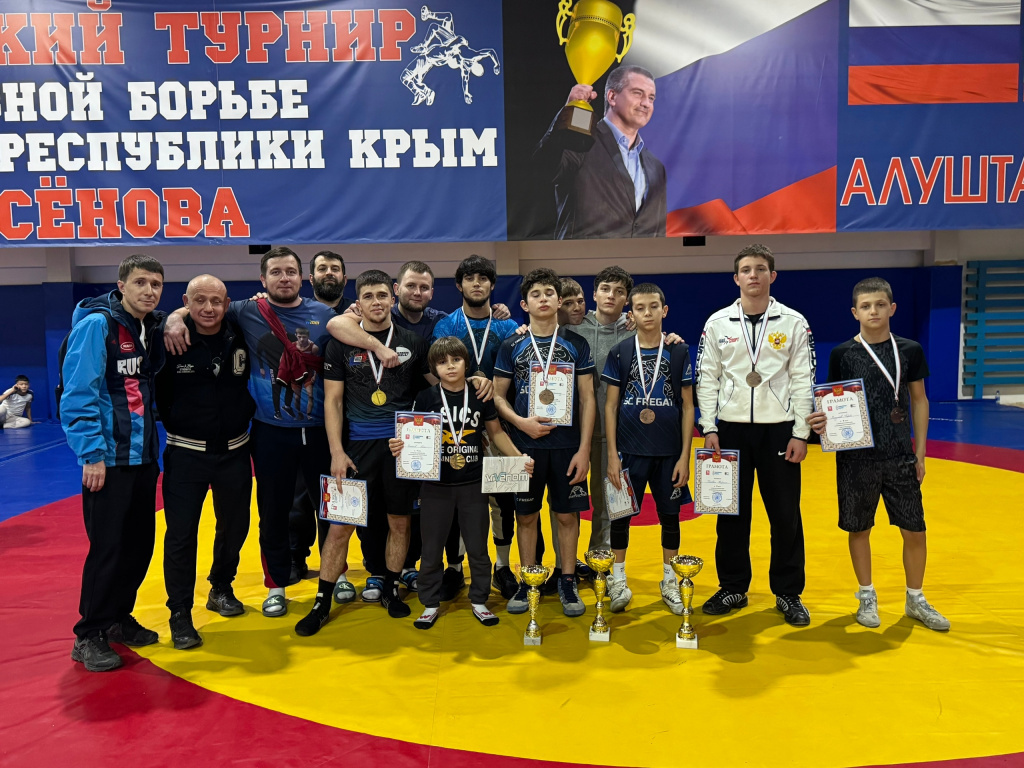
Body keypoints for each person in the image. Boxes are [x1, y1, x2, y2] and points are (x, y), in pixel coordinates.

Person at [164, 247, 336, 619]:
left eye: (290, 271)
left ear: (302, 277)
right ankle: (276, 586)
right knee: (272, 512)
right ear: (263, 279)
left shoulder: (325, 314)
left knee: (332, 509)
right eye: (276, 272)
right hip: (270, 432)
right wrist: (174, 319)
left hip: (321, 431)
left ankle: (333, 577)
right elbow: (201, 305)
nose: (284, 278)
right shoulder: (246, 310)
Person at [806, 278, 949, 631]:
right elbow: (832, 400)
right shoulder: (843, 354)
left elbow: (919, 400)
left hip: (900, 455)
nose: (874, 311)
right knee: (859, 528)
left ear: (892, 308)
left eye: (880, 305)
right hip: (855, 458)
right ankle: (866, 595)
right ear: (855, 312)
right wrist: (821, 421)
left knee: (915, 529)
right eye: (866, 306)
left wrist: (920, 453)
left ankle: (915, 598)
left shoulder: (910, 350)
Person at [296, 270, 434, 633]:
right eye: (368, 296)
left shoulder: (413, 342)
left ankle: (390, 588)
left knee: (399, 522)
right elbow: (333, 401)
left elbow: (438, 386)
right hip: (356, 448)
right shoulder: (341, 344)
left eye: (382, 295)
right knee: (339, 526)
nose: (376, 302)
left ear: (392, 298)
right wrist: (336, 452)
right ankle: (322, 601)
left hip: (401, 449)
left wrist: (474, 380)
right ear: (358, 302)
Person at [695, 243, 816, 627]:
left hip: (779, 430)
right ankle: (732, 586)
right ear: (736, 278)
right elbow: (707, 379)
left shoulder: (793, 322)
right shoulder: (717, 323)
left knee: (785, 514)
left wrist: (800, 433)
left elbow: (802, 379)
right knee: (730, 513)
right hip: (730, 430)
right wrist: (709, 426)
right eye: (746, 269)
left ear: (772, 276)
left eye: (760, 269)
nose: (753, 275)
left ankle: (788, 592)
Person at [61, 254, 166, 672]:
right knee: (108, 547)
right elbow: (78, 392)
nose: (149, 291)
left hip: (143, 457)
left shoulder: (150, 327)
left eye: (156, 284)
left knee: (139, 545)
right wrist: (91, 454)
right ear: (121, 286)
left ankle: (119, 617)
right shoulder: (97, 325)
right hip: (108, 459)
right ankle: (89, 634)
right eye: (140, 282)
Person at [390, 336, 533, 629]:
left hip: (472, 484)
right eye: (442, 362)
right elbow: (413, 437)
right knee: (432, 548)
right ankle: (430, 603)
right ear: (434, 368)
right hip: (436, 486)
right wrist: (399, 445)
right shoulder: (426, 397)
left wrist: (519, 458)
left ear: (466, 362)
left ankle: (479, 600)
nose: (450, 366)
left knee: (478, 546)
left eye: (456, 360)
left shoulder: (479, 395)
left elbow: (496, 433)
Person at [156, 275, 256, 650]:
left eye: (216, 301)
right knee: (181, 535)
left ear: (227, 304)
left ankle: (221, 587)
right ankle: (180, 612)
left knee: (236, 526)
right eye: (199, 300)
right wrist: (172, 318)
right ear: (186, 301)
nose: (208, 308)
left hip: (235, 451)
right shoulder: (170, 337)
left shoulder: (239, 331)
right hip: (186, 453)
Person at [493, 268, 596, 617]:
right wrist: (521, 422)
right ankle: (529, 580)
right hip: (525, 447)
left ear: (559, 300)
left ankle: (567, 580)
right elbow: (497, 397)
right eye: (535, 294)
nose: (543, 299)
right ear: (524, 304)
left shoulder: (576, 344)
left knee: (566, 516)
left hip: (567, 447)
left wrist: (584, 450)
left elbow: (588, 399)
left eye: (549, 293)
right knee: (526, 516)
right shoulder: (512, 345)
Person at [432, 255, 527, 599]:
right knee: (458, 499)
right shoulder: (446, 326)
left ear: (492, 284)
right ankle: (455, 568)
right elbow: (436, 373)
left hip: (499, 425)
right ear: (459, 285)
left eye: (483, 278)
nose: (476, 283)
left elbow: (520, 374)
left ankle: (502, 567)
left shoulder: (507, 327)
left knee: (502, 500)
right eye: (470, 278)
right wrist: (467, 382)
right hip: (458, 428)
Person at [603, 283, 694, 614]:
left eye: (654, 306)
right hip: (628, 451)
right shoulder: (620, 352)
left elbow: (688, 407)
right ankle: (617, 579)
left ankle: (670, 581)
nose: (647, 313)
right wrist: (612, 456)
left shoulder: (678, 352)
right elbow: (611, 406)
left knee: (670, 517)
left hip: (669, 453)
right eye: (640, 308)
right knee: (620, 517)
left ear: (664, 310)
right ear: (632, 313)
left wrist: (684, 457)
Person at [536, 65, 666, 239]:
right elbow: (542, 170)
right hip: (583, 257)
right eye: (638, 93)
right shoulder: (581, 141)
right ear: (612, 97)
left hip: (640, 258)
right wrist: (569, 112)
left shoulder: (656, 167)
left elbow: (657, 233)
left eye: (651, 98)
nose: (646, 103)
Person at [289, 249, 352, 583]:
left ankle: (339, 565)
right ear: (310, 278)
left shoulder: (359, 313)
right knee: (300, 497)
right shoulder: (296, 312)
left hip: (352, 421)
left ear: (344, 277)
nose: (330, 273)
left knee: (340, 494)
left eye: (335, 268)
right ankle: (295, 557)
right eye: (323, 268)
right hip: (309, 420)